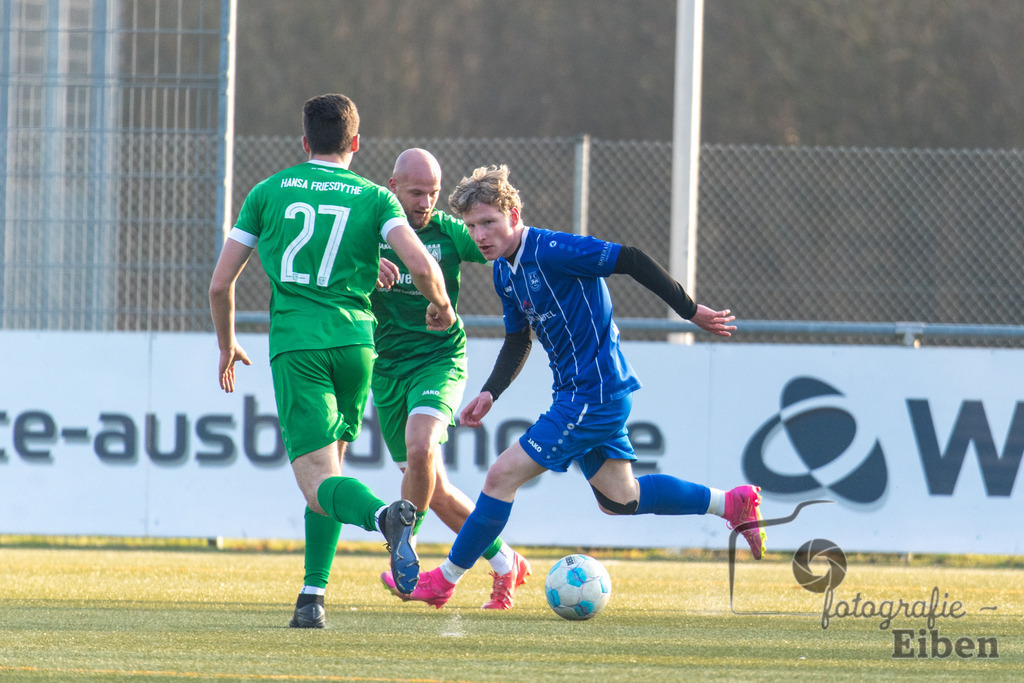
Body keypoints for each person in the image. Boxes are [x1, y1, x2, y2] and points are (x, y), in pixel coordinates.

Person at [381, 164, 766, 609]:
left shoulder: (553, 249)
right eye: (472, 226)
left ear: (514, 215)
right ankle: (731, 503)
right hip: (579, 394)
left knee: (501, 476)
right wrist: (491, 391)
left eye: (488, 222)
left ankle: (444, 580)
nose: (480, 235)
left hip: (594, 393)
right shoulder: (504, 271)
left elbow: (633, 259)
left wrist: (689, 308)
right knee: (621, 499)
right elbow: (517, 338)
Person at [208, 94, 456, 628]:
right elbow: (418, 261)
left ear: (304, 143)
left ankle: (385, 517)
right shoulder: (374, 199)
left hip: (299, 345)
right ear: (357, 143)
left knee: (316, 478)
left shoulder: (268, 191)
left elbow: (220, 283)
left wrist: (227, 343)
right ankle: (311, 596)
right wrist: (441, 306)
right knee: (331, 473)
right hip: (357, 346)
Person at [370, 149, 531, 610]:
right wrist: (362, 270)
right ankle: (506, 563)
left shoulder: (448, 233)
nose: (425, 202)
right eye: (417, 192)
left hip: (440, 359)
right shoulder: (367, 229)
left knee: (421, 446)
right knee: (434, 491)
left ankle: (406, 550)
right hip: (386, 370)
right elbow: (327, 274)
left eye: (433, 193)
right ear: (393, 185)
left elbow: (500, 241)